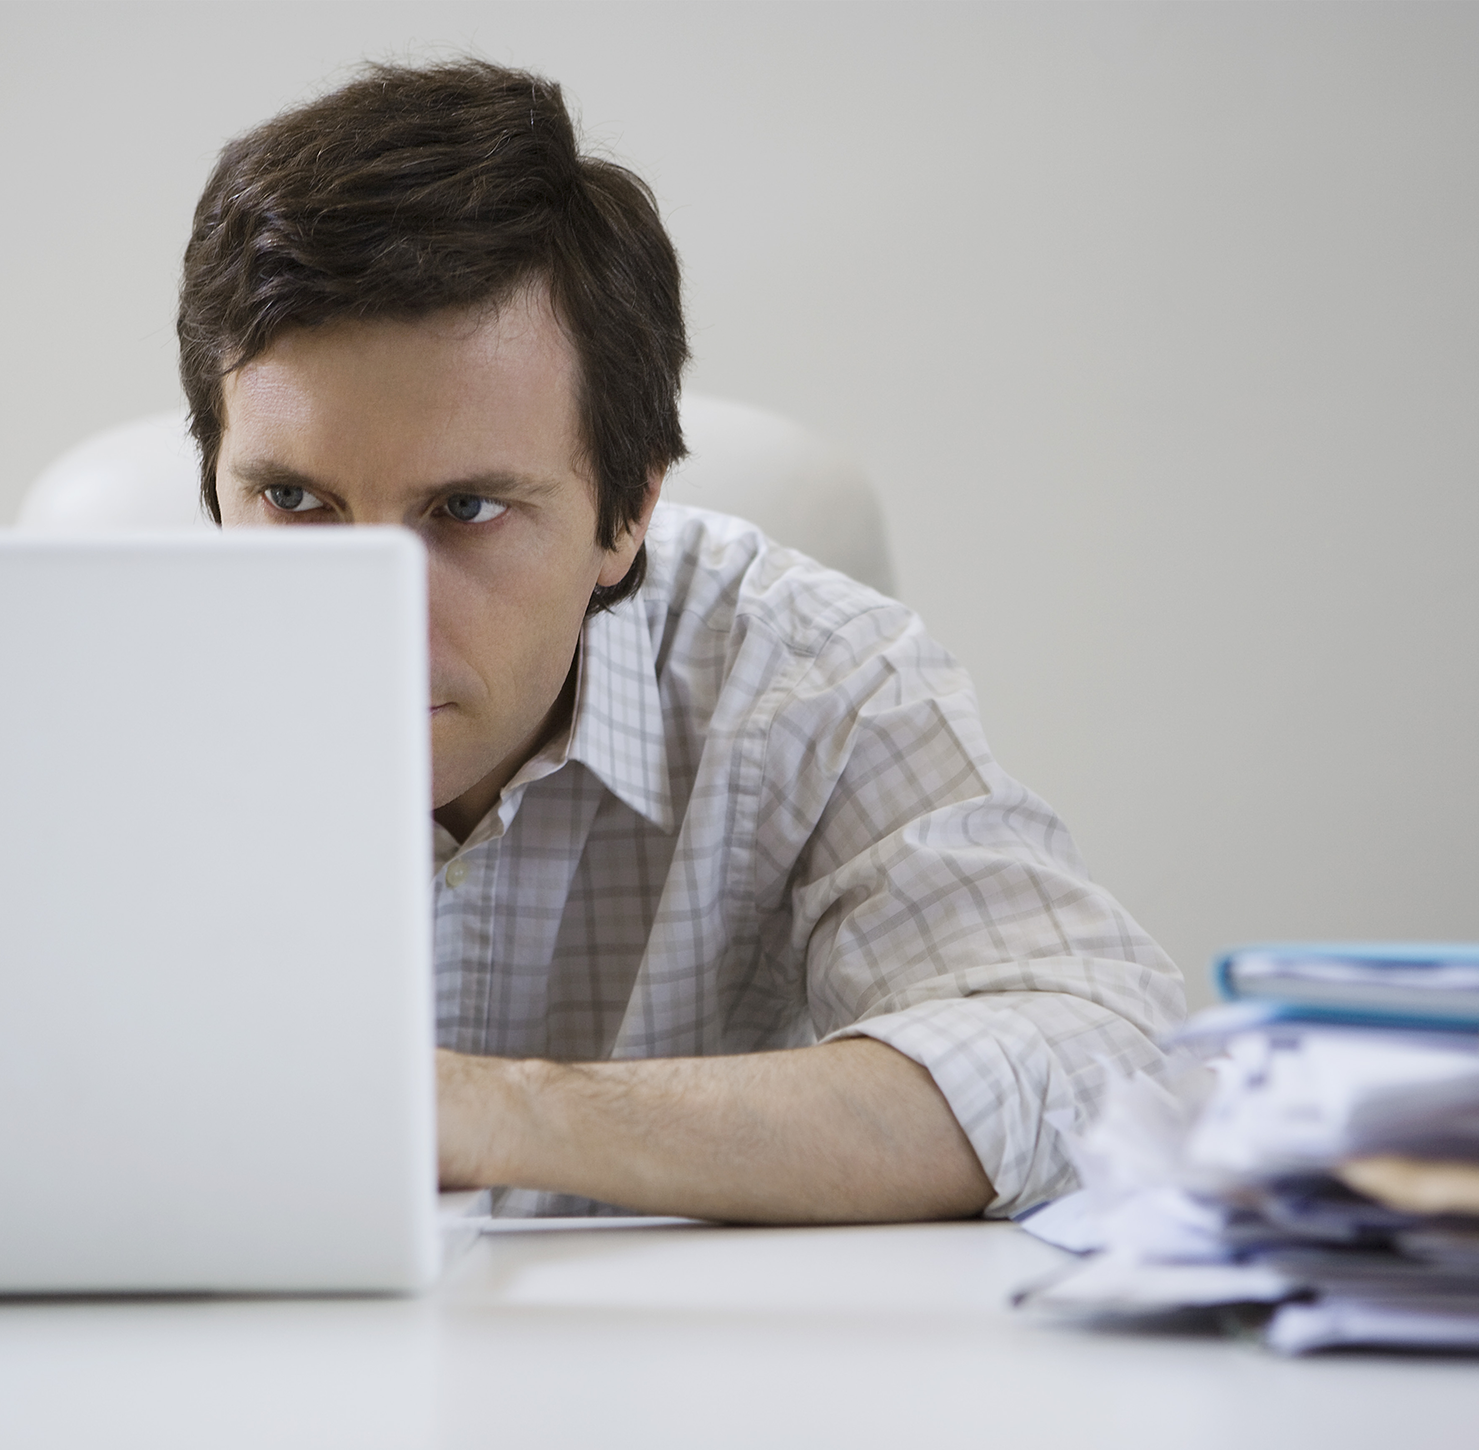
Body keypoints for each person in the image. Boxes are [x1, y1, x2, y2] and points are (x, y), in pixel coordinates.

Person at [177, 59, 1184, 1222]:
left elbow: (1110, 1057)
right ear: (214, 475)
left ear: (626, 512)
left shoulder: (808, 681)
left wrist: (506, 1115)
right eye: (294, 502)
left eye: (465, 510)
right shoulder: (72, 698)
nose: (371, 609)